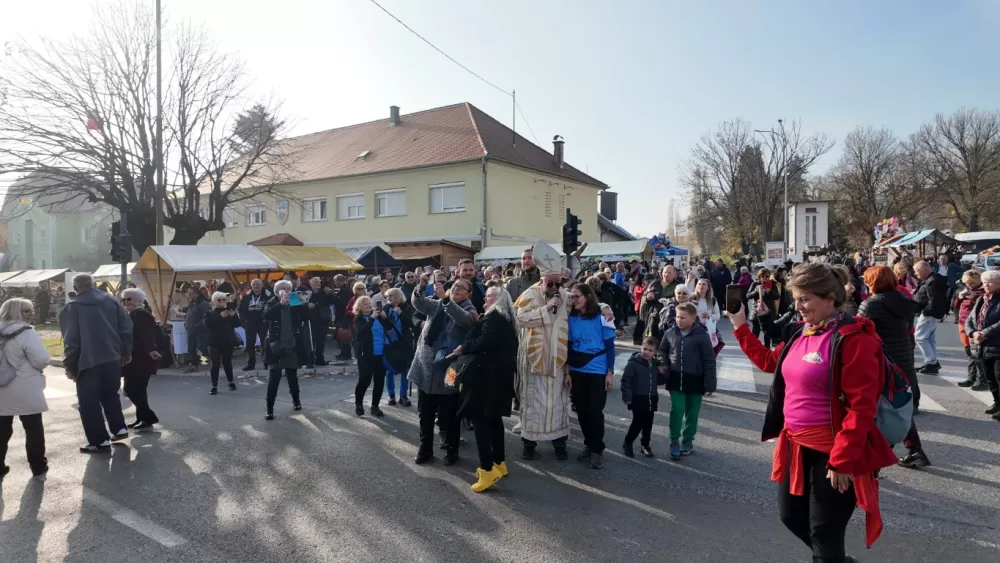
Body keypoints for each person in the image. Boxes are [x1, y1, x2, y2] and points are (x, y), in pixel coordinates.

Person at [729, 262, 897, 561]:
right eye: (796, 299)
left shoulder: (854, 339)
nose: (798, 307)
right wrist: (740, 326)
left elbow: (861, 407)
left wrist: (842, 460)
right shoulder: (802, 333)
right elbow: (769, 362)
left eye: (805, 299)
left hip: (833, 450)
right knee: (791, 517)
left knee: (824, 532)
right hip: (795, 445)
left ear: (830, 299)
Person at [857, 265, 930, 469]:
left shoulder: (871, 304)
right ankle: (914, 449)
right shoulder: (903, 301)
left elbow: (859, 333)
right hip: (903, 358)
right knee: (897, 406)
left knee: (875, 407)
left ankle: (878, 455)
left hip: (881, 360)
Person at [452, 286, 518, 492]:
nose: (484, 301)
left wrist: (464, 346)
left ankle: (487, 470)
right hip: (497, 378)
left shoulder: (494, 318)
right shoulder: (504, 319)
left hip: (485, 379)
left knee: (480, 421)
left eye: (488, 297)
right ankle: (499, 463)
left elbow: (485, 341)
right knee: (494, 419)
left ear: (499, 299)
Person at [59, 273, 133, 453]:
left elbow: (71, 340)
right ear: (94, 284)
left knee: (88, 402)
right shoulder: (112, 301)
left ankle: (99, 440)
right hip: (112, 356)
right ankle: (119, 428)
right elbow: (126, 328)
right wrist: (126, 351)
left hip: (87, 360)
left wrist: (70, 365)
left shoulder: (73, 307)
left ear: (75, 288)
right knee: (111, 394)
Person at [408, 275, 477, 465]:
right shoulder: (437, 304)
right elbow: (419, 303)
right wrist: (421, 286)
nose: (456, 289)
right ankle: (425, 448)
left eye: (462, 288)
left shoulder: (469, 310)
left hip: (449, 370)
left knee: (449, 415)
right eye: (455, 286)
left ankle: (451, 449)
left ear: (468, 294)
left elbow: (464, 321)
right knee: (425, 413)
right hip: (426, 367)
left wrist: (446, 300)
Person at [514, 242, 572, 461]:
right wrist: (546, 308)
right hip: (534, 358)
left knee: (557, 403)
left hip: (558, 358)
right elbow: (520, 319)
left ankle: (560, 444)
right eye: (551, 283)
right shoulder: (530, 294)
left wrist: (605, 310)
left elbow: (587, 303)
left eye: (559, 283)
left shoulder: (566, 296)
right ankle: (528, 445)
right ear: (542, 279)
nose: (555, 287)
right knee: (533, 403)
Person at [565, 283, 616, 469]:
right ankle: (589, 443)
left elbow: (610, 347)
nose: (574, 300)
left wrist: (610, 372)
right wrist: (567, 371)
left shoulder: (602, 318)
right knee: (582, 411)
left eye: (577, 296)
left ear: (587, 296)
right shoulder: (571, 318)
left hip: (597, 370)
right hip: (577, 369)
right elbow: (569, 347)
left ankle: (597, 449)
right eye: (572, 297)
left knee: (595, 411)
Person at [0, 298, 51, 478]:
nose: (31, 314)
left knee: (2, 430)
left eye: (31, 310)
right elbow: (41, 359)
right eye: (26, 311)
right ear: (16, 312)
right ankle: (38, 465)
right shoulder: (26, 332)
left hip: (2, 388)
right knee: (33, 428)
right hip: (25, 386)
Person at [659, 302, 716, 460]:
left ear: (693, 318)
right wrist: (663, 364)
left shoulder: (702, 335)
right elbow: (663, 350)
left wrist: (710, 383)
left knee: (692, 412)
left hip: (695, 379)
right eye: (677, 317)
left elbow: (709, 360)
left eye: (683, 317)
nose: (679, 320)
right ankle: (674, 440)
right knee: (677, 410)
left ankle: (688, 440)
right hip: (675, 377)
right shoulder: (670, 333)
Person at [262, 280, 306, 420]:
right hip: (276, 345)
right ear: (278, 291)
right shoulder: (272, 302)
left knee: (292, 376)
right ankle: (269, 408)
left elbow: (305, 317)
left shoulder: (294, 301)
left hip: (291, 344)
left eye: (289, 289)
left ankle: (296, 401)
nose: (288, 291)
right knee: (274, 378)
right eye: (285, 289)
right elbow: (266, 316)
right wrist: (280, 304)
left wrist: (303, 303)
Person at [120, 288, 161, 430]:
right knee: (137, 391)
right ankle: (142, 418)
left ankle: (149, 417)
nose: (125, 302)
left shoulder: (142, 315)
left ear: (139, 301)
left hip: (141, 358)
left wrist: (152, 350)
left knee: (132, 390)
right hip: (132, 358)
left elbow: (148, 336)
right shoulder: (132, 314)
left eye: (129, 299)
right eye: (124, 299)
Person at [967, 269, 1000, 421]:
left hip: (996, 344)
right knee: (990, 377)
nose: (986, 285)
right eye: (985, 282)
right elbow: (970, 319)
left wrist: (984, 333)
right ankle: (997, 402)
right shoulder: (981, 299)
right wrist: (973, 333)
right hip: (982, 345)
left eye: (990, 282)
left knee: (999, 376)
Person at [620, 336, 661, 459]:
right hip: (637, 397)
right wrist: (627, 396)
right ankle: (628, 442)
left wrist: (663, 371)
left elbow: (660, 380)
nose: (646, 352)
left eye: (650, 350)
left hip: (651, 397)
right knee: (638, 422)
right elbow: (626, 380)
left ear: (655, 352)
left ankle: (645, 445)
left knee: (648, 423)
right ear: (641, 348)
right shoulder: (633, 363)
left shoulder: (655, 364)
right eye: (645, 349)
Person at [352, 296, 389, 417]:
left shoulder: (378, 316)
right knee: (364, 380)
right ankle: (359, 404)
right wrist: (372, 319)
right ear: (359, 307)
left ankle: (375, 406)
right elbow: (361, 333)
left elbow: (389, 328)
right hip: (366, 355)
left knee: (379, 381)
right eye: (365, 304)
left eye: (369, 303)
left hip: (381, 354)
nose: (368, 306)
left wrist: (384, 317)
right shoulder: (358, 319)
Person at [913, 260, 948, 374]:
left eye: (917, 271)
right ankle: (931, 361)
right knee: (928, 338)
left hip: (930, 314)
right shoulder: (931, 280)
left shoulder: (932, 281)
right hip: (931, 313)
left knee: (920, 337)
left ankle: (931, 362)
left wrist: (926, 312)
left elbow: (934, 299)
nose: (915, 274)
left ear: (925, 269)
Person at [204, 291, 241, 395]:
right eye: (219, 300)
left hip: (227, 341)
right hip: (213, 342)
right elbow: (208, 324)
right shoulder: (209, 313)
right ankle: (214, 386)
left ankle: (231, 382)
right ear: (214, 302)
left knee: (227, 363)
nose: (221, 302)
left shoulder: (229, 311)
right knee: (215, 364)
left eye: (223, 299)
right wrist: (220, 316)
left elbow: (238, 324)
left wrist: (234, 315)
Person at [956, 270, 988, 390]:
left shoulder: (984, 291)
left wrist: (975, 298)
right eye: (967, 283)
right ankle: (971, 377)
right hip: (963, 322)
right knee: (969, 352)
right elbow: (955, 305)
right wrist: (959, 297)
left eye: (972, 283)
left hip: (975, 324)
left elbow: (984, 307)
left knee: (976, 353)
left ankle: (982, 380)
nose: (969, 285)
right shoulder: (965, 289)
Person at [383, 287, 415, 407]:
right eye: (387, 296)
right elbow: (382, 324)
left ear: (398, 297)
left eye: (391, 296)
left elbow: (411, 323)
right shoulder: (386, 308)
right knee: (389, 370)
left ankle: (403, 396)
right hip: (390, 343)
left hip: (403, 343)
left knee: (404, 370)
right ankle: (391, 395)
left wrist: (400, 313)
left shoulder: (406, 307)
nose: (388, 298)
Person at [239, 279, 272, 371]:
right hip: (250, 323)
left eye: (258, 284)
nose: (256, 286)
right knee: (249, 344)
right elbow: (241, 309)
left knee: (264, 344)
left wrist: (268, 320)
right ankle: (250, 364)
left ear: (262, 285)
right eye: (254, 285)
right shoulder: (247, 296)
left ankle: (266, 363)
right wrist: (244, 321)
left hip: (263, 323)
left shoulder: (268, 295)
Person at [304, 277, 334, 367]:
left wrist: (330, 294)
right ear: (311, 284)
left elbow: (332, 301)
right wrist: (307, 305)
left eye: (319, 282)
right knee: (310, 341)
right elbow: (301, 304)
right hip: (310, 321)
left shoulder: (324, 292)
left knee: (321, 341)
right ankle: (310, 360)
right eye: (315, 282)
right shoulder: (307, 293)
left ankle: (320, 358)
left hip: (323, 320)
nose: (318, 283)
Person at [748, 268, 780, 349]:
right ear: (759, 277)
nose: (765, 278)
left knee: (767, 333)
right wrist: (756, 291)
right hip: (757, 311)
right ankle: (753, 349)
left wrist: (769, 291)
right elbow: (748, 296)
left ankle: (767, 348)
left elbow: (777, 296)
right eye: (762, 276)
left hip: (768, 311)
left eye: (767, 276)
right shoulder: (755, 284)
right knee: (755, 332)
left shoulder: (772, 284)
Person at [184, 286, 211, 370]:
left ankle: (207, 363)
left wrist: (197, 326)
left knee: (202, 349)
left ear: (196, 293)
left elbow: (206, 317)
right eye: (188, 294)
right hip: (191, 330)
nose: (189, 296)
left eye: (191, 293)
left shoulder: (203, 304)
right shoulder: (193, 303)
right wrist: (186, 324)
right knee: (191, 348)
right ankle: (193, 365)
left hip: (199, 331)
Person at [692, 278, 722, 352]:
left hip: (707, 329)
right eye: (699, 284)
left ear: (708, 288)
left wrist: (709, 315)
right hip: (693, 329)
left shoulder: (712, 300)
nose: (701, 286)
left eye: (704, 284)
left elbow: (718, 316)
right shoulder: (691, 299)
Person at [331, 275, 354, 361]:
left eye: (336, 281)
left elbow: (345, 303)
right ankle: (343, 352)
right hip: (341, 316)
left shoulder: (345, 291)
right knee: (340, 336)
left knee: (344, 335)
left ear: (339, 281)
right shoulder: (343, 290)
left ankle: (346, 353)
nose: (335, 283)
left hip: (344, 317)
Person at [937, 253, 963, 320]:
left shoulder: (951, 266)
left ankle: (950, 314)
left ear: (947, 260)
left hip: (949, 284)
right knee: (940, 300)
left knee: (949, 299)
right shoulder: (935, 267)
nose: (942, 260)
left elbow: (963, 270)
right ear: (938, 260)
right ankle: (941, 313)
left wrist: (955, 277)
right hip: (938, 285)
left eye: (944, 259)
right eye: (941, 259)